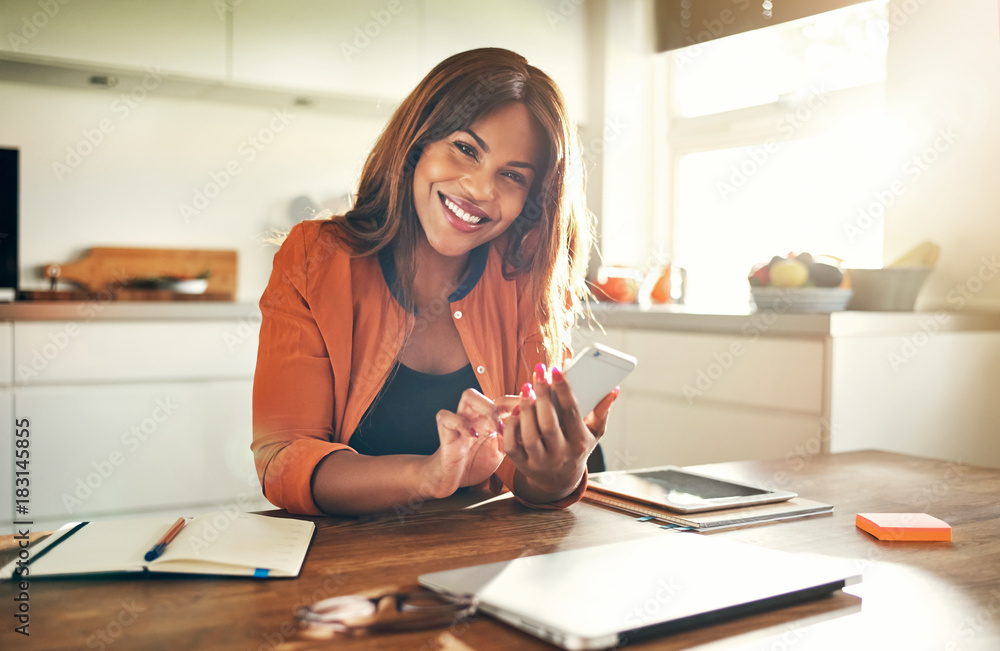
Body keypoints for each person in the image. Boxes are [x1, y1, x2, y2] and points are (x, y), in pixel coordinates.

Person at [252, 47, 619, 516]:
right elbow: (283, 461)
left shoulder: (527, 277)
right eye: (465, 149)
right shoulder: (314, 258)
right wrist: (427, 476)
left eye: (511, 175)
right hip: (343, 569)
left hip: (475, 563)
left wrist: (560, 471)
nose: (481, 190)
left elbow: (526, 486)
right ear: (417, 142)